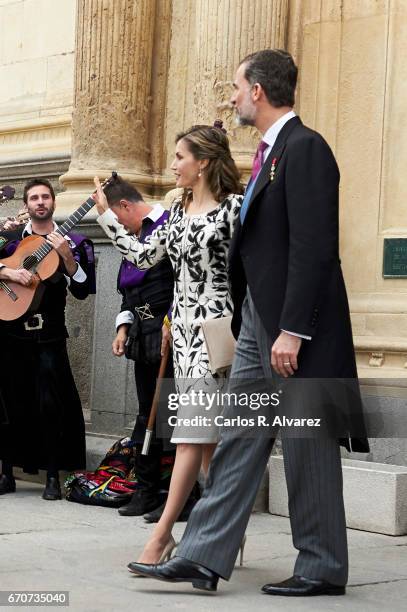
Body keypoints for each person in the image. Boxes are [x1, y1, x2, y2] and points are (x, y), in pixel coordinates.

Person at [126, 49, 370, 596]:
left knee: (308, 444)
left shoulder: (305, 148)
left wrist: (294, 330)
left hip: (293, 327)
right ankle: (202, 555)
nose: (232, 97)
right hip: (258, 319)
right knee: (238, 435)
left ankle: (323, 566)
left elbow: (314, 247)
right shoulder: (267, 153)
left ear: (257, 90)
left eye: (236, 87)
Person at [94, 124, 244, 563]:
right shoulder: (177, 210)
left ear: (203, 163)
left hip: (217, 338)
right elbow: (142, 258)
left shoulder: (235, 208)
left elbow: (257, 269)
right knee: (205, 447)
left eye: (180, 156)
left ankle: (162, 537)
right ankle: (229, 534)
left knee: (190, 437)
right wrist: (104, 213)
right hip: (181, 337)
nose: (173, 164)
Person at [0, 178, 94, 500]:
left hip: (49, 334)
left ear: (54, 202)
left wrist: (68, 258)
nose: (40, 202)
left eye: (45, 197)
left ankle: (53, 475)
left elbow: (83, 290)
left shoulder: (75, 241)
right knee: (9, 402)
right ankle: (6, 473)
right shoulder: (11, 239)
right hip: (10, 332)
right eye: (34, 198)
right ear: (26, 205)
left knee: (51, 404)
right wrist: (7, 272)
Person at [110, 183, 176, 517]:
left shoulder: (168, 226)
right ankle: (147, 490)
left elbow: (183, 284)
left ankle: (182, 494)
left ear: (125, 206)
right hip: (141, 332)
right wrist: (123, 329)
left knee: (174, 418)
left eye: (119, 221)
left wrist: (170, 324)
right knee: (145, 414)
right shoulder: (132, 241)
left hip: (170, 334)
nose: (120, 229)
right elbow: (127, 294)